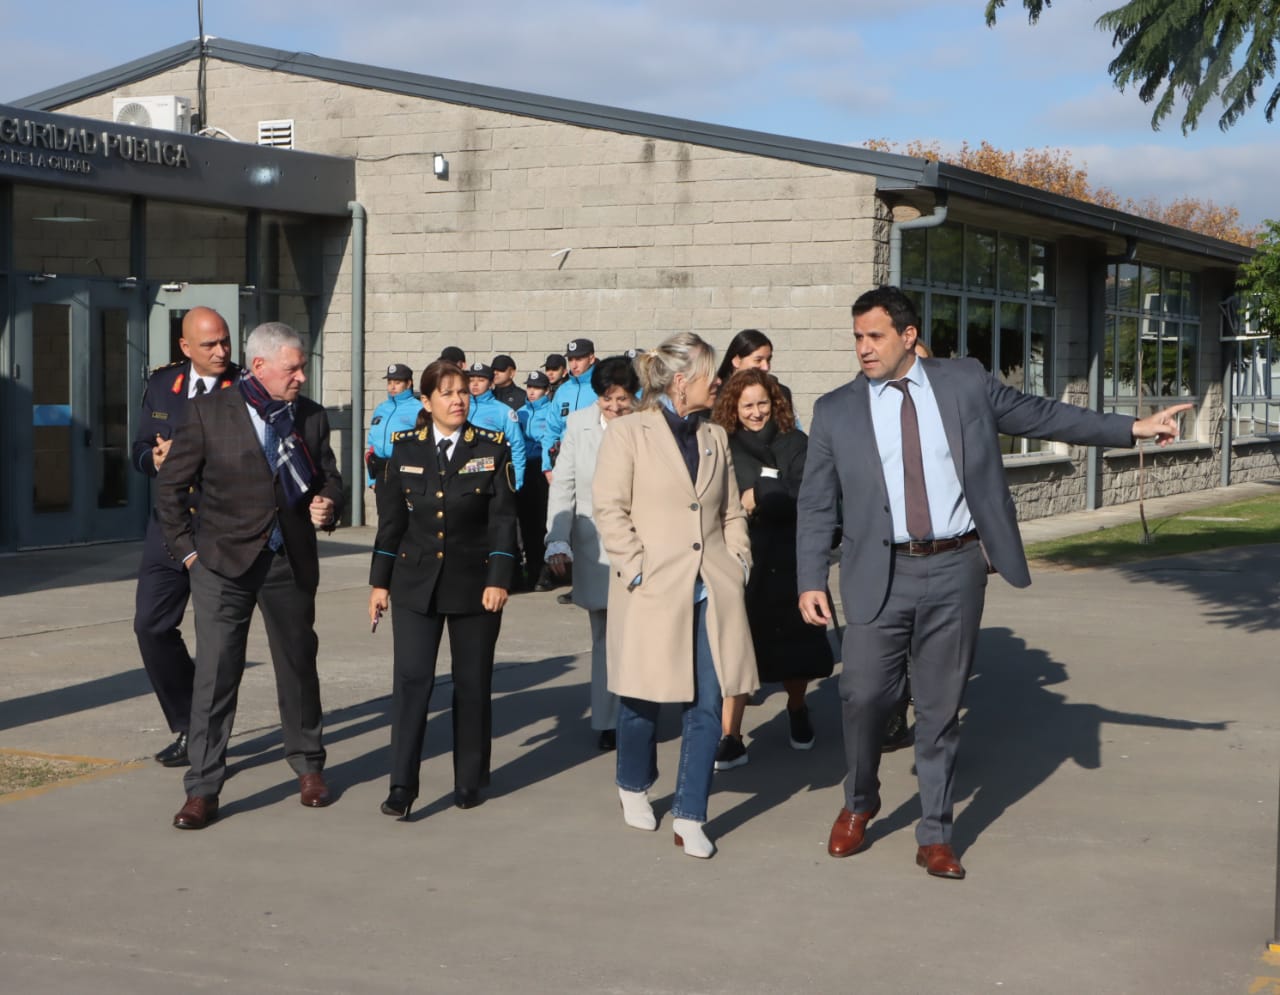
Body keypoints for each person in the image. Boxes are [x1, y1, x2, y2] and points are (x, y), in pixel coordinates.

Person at [796, 286, 1191, 879]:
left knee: (939, 709)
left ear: (908, 336)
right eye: (857, 337)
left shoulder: (964, 383)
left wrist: (1132, 426)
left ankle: (935, 833)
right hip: (877, 571)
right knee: (863, 695)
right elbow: (815, 504)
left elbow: (1043, 414)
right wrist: (810, 578)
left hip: (954, 567)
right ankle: (860, 800)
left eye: (875, 336)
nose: (864, 348)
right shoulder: (835, 410)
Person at [157, 321, 343, 830]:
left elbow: (329, 476)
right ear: (259, 366)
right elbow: (169, 489)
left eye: (302, 367)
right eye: (292, 368)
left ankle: (309, 767)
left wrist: (329, 502)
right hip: (221, 566)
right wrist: (189, 555)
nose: (301, 376)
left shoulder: (310, 416)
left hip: (288, 561)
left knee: (298, 667)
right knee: (216, 676)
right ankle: (202, 787)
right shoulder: (207, 412)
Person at [593, 332, 758, 859]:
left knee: (708, 701)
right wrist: (636, 570)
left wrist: (738, 561)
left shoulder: (715, 436)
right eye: (712, 375)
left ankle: (690, 814)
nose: (720, 382)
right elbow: (610, 509)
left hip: (711, 588)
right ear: (682, 382)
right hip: (651, 588)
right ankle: (633, 783)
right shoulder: (628, 433)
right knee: (642, 698)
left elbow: (731, 511)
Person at [368, 359, 518, 819]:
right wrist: (379, 582)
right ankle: (401, 784)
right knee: (412, 681)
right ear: (427, 400)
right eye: (447, 393)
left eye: (463, 392)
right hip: (415, 584)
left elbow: (503, 521)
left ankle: (469, 778)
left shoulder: (491, 448)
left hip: (474, 584)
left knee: (472, 683)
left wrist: (499, 578)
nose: (457, 400)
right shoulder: (405, 448)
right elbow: (392, 523)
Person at [131, 306, 240, 768]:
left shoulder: (246, 388)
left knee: (216, 643)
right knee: (151, 626)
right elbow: (139, 448)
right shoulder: (163, 384)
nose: (220, 351)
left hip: (221, 531)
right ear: (185, 347)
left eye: (225, 341)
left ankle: (204, 739)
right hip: (169, 527)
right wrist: (155, 460)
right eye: (209, 344)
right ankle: (188, 723)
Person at [709, 368, 833, 771]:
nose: (756, 412)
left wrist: (760, 494)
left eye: (763, 403)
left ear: (775, 402)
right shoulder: (722, 442)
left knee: (796, 648)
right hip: (744, 558)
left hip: (793, 555)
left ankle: (797, 708)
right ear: (733, 407)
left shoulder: (795, 441)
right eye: (747, 405)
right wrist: (761, 496)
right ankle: (731, 735)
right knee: (737, 649)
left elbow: (810, 493)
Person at [544, 356, 640, 751]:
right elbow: (564, 483)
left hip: (639, 543)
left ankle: (640, 712)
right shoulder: (578, 424)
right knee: (604, 635)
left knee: (638, 635)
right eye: (607, 398)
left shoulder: (648, 424)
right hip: (594, 546)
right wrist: (557, 538)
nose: (615, 406)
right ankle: (609, 721)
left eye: (623, 398)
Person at [539, 339, 598, 478]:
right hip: (565, 464)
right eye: (571, 359)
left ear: (591, 359)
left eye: (579, 359)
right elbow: (551, 429)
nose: (574, 365)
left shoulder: (602, 386)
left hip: (596, 463)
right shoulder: (562, 391)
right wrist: (547, 467)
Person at [517, 370, 554, 591]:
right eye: (530, 387)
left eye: (537, 388)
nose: (532, 391)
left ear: (547, 390)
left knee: (543, 523)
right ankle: (531, 570)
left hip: (544, 468)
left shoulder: (552, 411)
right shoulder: (520, 413)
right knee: (527, 523)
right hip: (525, 468)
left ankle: (546, 572)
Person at [465, 361, 526, 489]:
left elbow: (517, 444)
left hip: (491, 476)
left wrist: (517, 477)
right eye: (471, 380)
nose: (475, 384)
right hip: (461, 474)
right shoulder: (461, 407)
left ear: (491, 384)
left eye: (481, 380)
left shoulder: (503, 411)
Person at [715, 328, 798, 419]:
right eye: (758, 360)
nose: (766, 367)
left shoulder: (781, 394)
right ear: (737, 361)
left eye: (768, 360)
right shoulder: (714, 395)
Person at [364, 363, 418, 488]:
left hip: (406, 474)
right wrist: (372, 479)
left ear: (408, 384)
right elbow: (372, 445)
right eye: (389, 382)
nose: (392, 387)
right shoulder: (381, 408)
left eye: (397, 382)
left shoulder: (418, 409)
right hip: (381, 474)